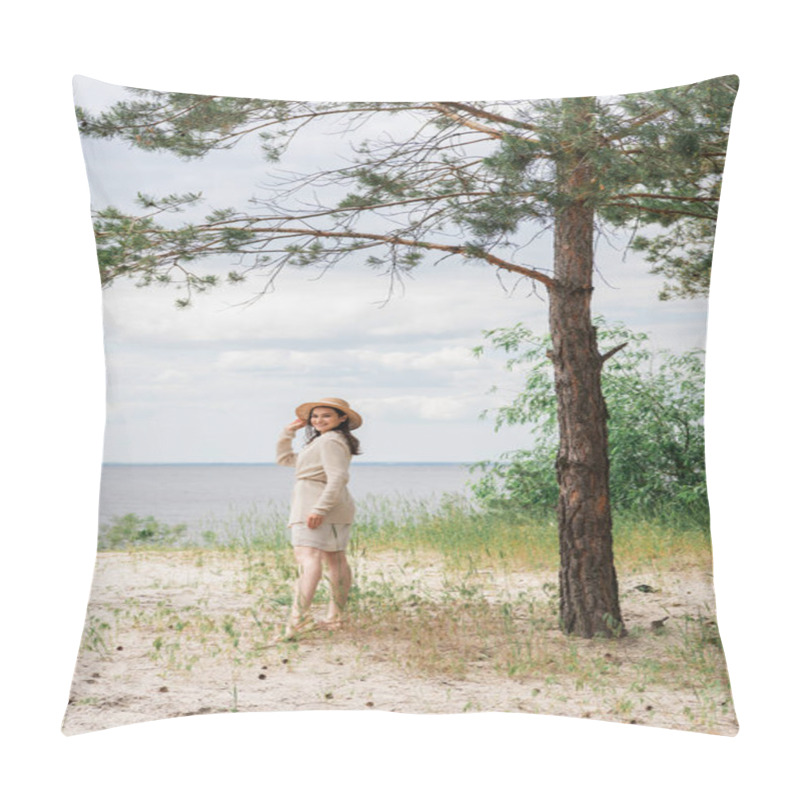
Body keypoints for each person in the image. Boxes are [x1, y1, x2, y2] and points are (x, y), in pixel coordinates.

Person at [274, 397, 362, 640]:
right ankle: (335, 617)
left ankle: (297, 619)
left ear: (341, 418)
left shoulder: (330, 441)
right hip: (330, 503)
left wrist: (320, 509)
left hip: (317, 503)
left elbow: (338, 477)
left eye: (326, 416)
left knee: (308, 558)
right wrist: (287, 433)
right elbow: (286, 460)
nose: (319, 420)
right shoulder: (327, 441)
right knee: (334, 558)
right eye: (315, 416)